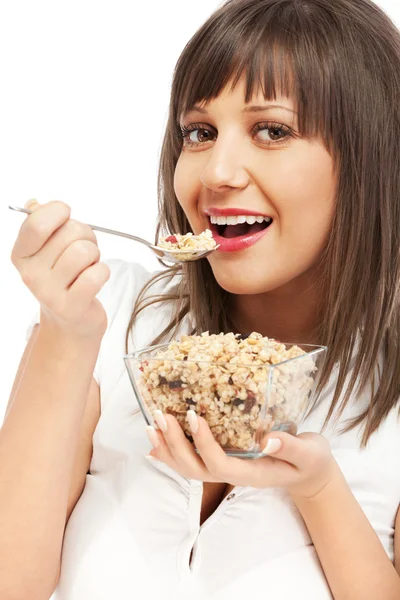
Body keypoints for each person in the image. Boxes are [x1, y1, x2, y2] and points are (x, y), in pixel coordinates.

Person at [3, 0, 400, 598]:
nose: (217, 171)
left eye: (272, 130)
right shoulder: (110, 319)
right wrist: (67, 334)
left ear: (370, 158)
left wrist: (318, 489)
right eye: (200, 132)